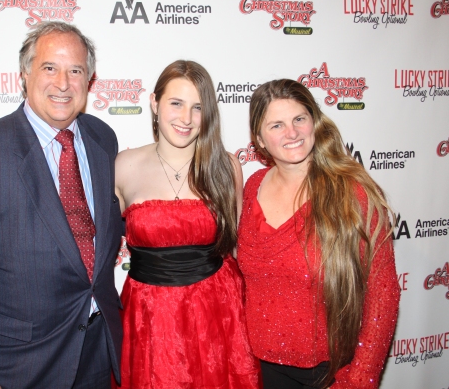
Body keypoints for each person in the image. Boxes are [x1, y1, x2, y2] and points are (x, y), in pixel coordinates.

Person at [0, 22, 123, 389]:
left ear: (90, 79)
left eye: (76, 70)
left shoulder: (103, 139)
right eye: (50, 68)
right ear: (25, 73)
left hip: (99, 354)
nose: (63, 83)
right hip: (20, 368)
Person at [237, 79, 400, 389]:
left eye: (299, 119)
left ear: (314, 121)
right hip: (259, 369)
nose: (292, 133)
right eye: (277, 125)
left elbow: (383, 292)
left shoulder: (353, 193)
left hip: (329, 371)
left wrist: (360, 379)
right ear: (258, 138)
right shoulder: (252, 186)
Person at [114, 60, 261, 389]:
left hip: (217, 315)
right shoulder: (122, 166)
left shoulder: (226, 166)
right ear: (154, 103)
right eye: (176, 103)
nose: (186, 118)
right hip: (148, 317)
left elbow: (240, 251)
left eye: (197, 107)